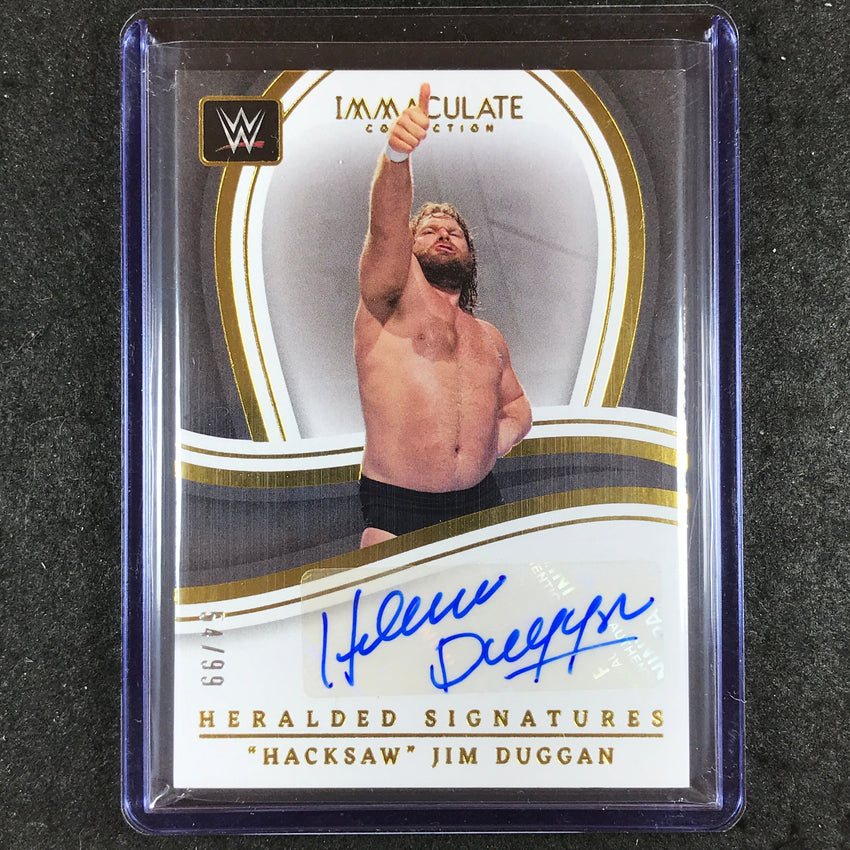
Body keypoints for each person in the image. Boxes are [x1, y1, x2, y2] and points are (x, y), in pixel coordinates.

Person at [355, 82, 532, 548]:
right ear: (409, 247)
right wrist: (396, 156)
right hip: (399, 506)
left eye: (454, 232)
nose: (443, 235)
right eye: (429, 230)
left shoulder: (489, 336)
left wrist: (493, 443)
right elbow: (387, 226)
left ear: (469, 253)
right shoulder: (390, 297)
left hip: (482, 502)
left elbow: (517, 407)